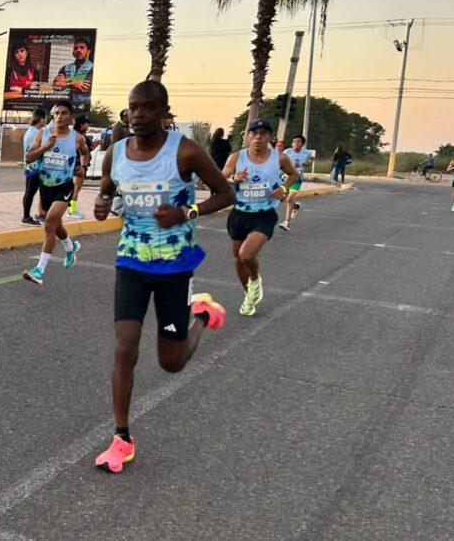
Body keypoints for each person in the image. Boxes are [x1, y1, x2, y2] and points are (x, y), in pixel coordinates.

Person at [91, 80, 234, 474]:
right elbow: (107, 192)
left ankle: (202, 315)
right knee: (125, 346)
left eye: (148, 107)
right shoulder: (115, 153)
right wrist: (103, 205)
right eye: (133, 107)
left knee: (171, 363)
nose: (138, 114)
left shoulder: (184, 150)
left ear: (164, 111)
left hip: (174, 266)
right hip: (132, 261)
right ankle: (121, 437)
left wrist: (188, 213)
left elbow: (226, 194)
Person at [221, 119, 299, 317]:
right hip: (239, 213)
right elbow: (222, 178)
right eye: (254, 133)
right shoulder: (236, 157)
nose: (258, 137)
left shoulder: (279, 158)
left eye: (263, 133)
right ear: (248, 136)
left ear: (270, 137)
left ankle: (255, 279)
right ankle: (249, 296)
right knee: (238, 261)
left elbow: (293, 175)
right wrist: (234, 179)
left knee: (246, 255)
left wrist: (283, 188)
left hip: (264, 214)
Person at [22, 101, 87, 284]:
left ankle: (40, 270)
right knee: (55, 224)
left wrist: (83, 166)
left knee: (49, 224)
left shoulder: (77, 138)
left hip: (64, 186)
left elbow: (85, 153)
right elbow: (28, 157)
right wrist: (44, 147)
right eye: (56, 113)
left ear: (71, 117)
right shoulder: (43, 135)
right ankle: (70, 245)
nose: (59, 116)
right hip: (46, 186)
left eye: (64, 113)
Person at [21, 107, 48, 226]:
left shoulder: (29, 131)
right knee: (30, 193)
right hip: (36, 167)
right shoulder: (38, 133)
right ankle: (26, 217)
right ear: (42, 119)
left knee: (29, 192)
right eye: (46, 118)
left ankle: (29, 215)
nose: (46, 121)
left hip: (29, 166)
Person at [279, 134, 311, 231]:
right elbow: (279, 161)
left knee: (289, 199)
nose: (296, 143)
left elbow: (310, 163)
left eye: (298, 141)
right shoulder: (287, 151)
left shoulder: (306, 153)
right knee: (284, 198)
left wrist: (305, 163)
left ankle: (286, 222)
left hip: (297, 178)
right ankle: (295, 206)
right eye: (294, 141)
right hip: (285, 178)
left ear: (302, 144)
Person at [68, 114, 97, 219]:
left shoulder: (71, 134)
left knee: (70, 188)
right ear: (82, 124)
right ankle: (71, 210)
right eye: (87, 123)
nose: (88, 125)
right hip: (79, 165)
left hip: (70, 164)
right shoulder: (82, 137)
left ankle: (68, 208)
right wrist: (99, 142)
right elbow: (89, 149)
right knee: (76, 188)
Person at [53, 38, 94, 109]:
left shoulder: (92, 68)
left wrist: (65, 82)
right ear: (73, 52)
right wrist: (72, 83)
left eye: (82, 48)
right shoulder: (65, 68)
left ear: (88, 51)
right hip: (65, 105)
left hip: (83, 106)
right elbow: (56, 86)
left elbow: (85, 88)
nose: (78, 50)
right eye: (75, 48)